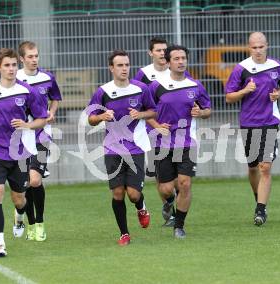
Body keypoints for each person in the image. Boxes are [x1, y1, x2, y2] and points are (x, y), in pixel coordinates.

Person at [0, 48, 47, 257]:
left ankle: (20, 215)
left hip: (20, 154)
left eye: (14, 65)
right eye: (7, 65)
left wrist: (27, 124)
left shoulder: (27, 92)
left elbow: (42, 118)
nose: (11, 69)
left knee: (19, 199)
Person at [87, 50, 156, 246]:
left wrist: (140, 115)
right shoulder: (103, 92)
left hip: (135, 148)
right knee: (118, 193)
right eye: (120, 65)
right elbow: (91, 119)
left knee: (133, 194)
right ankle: (124, 233)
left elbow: (153, 111)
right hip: (112, 149)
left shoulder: (141, 88)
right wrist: (101, 117)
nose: (124, 68)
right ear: (111, 68)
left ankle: (141, 206)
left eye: (126, 64)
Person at [225, 32, 280, 226]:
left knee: (265, 166)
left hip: (270, 122)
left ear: (267, 46)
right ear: (249, 48)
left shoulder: (277, 67)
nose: (258, 50)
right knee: (253, 167)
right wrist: (245, 91)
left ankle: (260, 210)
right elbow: (229, 97)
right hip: (248, 123)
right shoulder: (241, 69)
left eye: (261, 47)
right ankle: (258, 198)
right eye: (254, 47)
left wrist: (278, 94)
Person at [148, 45, 211, 239]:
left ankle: (180, 226)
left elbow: (208, 110)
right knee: (166, 188)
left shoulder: (195, 85)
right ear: (168, 62)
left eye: (183, 58)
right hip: (163, 144)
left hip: (186, 143)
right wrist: (156, 125)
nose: (181, 61)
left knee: (184, 184)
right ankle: (168, 202)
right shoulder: (156, 86)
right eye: (176, 58)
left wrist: (201, 113)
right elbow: (146, 112)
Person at [16, 41, 63, 242]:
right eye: (30, 57)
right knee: (26, 183)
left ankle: (40, 223)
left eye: (36, 56)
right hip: (20, 137)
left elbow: (56, 99)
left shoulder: (47, 77)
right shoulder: (15, 78)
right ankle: (29, 222)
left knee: (35, 180)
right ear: (21, 59)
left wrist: (51, 113)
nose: (34, 60)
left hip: (42, 135)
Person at [134, 37, 178, 226]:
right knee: (160, 175)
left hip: (176, 131)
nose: (162, 53)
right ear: (150, 53)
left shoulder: (176, 71)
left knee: (178, 177)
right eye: (158, 50)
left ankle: (171, 204)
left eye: (164, 50)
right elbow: (136, 101)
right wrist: (154, 124)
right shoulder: (143, 74)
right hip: (151, 132)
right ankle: (171, 211)